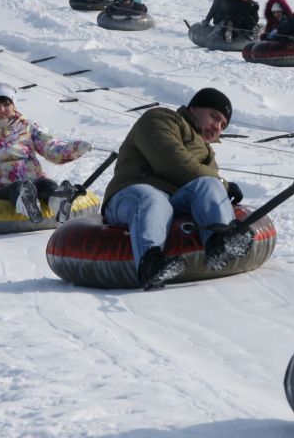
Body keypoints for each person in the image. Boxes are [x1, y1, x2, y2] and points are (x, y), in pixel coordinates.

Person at [102, 87, 251, 290]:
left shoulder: (208, 153)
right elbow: (173, 163)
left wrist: (219, 187)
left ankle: (220, 242)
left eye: (223, 125)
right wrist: (224, 184)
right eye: (214, 117)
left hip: (173, 201)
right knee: (153, 198)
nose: (217, 127)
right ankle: (151, 263)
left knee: (209, 184)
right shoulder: (160, 119)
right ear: (194, 108)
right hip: (130, 193)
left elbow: (207, 180)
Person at [0, 84, 92, 221]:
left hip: (35, 179)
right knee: (19, 187)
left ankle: (58, 202)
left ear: (13, 105)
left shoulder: (27, 128)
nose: (2, 109)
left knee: (47, 184)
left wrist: (75, 148)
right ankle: (26, 205)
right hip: (4, 186)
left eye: (6, 104)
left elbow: (50, 148)